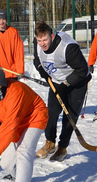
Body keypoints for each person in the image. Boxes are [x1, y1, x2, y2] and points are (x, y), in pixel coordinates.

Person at [33, 20, 91, 162]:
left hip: (77, 82)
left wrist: (65, 84)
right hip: (57, 82)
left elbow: (82, 70)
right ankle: (50, 143)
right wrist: (44, 74)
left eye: (45, 39)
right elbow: (37, 61)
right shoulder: (37, 43)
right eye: (39, 40)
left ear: (51, 36)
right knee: (51, 114)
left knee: (69, 117)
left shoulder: (68, 47)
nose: (43, 43)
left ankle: (62, 148)